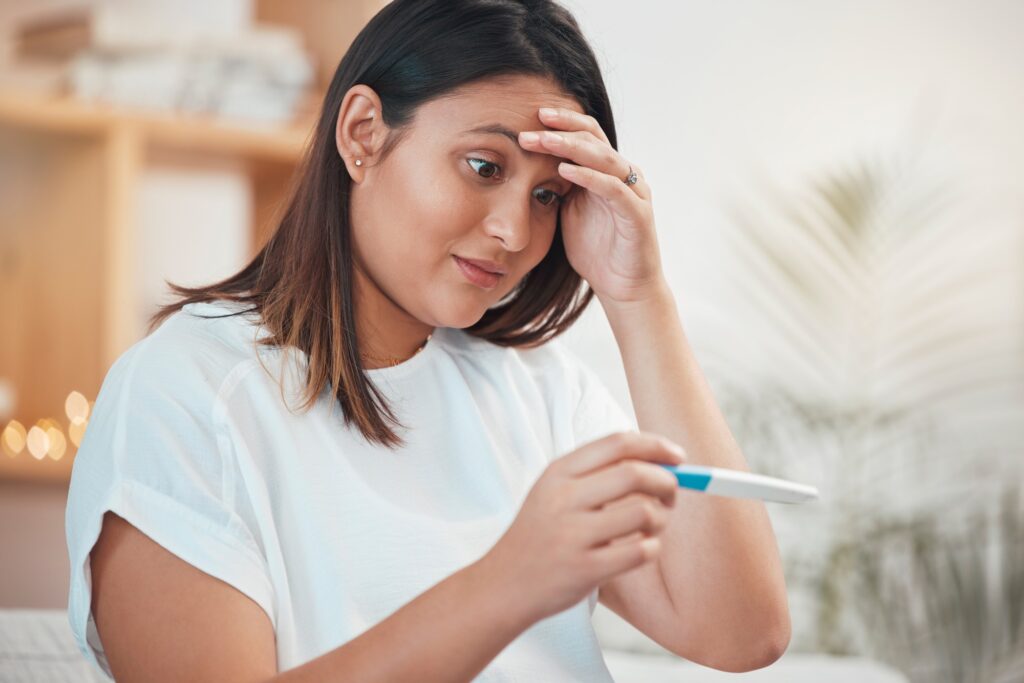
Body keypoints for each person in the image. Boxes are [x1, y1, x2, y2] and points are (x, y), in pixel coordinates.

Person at [65, 0, 791, 680]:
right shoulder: (187, 393)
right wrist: (509, 580)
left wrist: (640, 297)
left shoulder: (542, 391)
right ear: (362, 134)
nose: (515, 230)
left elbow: (743, 632)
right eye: (485, 166)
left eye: (548, 195)